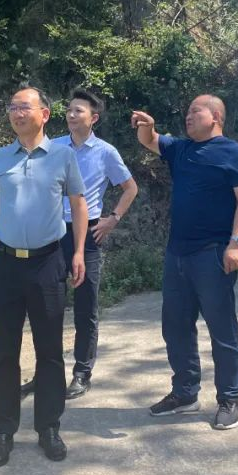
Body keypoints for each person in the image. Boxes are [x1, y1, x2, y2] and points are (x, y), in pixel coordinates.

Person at [0, 87, 87, 468]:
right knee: (4, 350)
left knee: (50, 350)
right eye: (12, 107)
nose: (17, 113)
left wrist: (78, 252)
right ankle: (3, 432)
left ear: (45, 114)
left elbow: (78, 204)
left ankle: (48, 428)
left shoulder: (63, 156)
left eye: (24, 107)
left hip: (48, 262)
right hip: (6, 263)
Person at [131, 95, 238, 430]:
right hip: (177, 254)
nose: (188, 115)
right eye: (186, 111)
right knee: (175, 326)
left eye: (195, 111)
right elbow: (150, 141)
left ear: (215, 116)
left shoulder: (234, 153)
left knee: (222, 329)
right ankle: (185, 393)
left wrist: (237, 243)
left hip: (213, 253)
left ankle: (230, 397)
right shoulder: (181, 149)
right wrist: (148, 127)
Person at [21, 89, 138, 400]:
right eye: (69, 110)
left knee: (85, 307)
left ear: (93, 118)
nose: (71, 115)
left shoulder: (106, 152)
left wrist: (113, 219)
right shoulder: (54, 146)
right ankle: (45, 374)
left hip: (87, 235)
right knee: (46, 307)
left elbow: (130, 188)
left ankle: (82, 373)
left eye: (78, 111)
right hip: (50, 233)